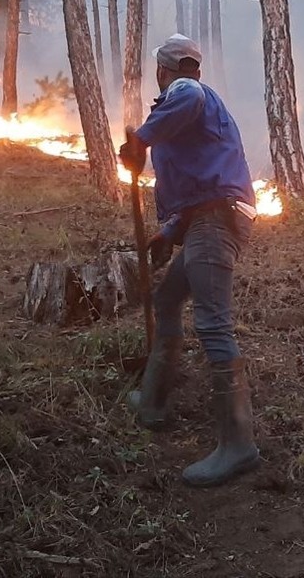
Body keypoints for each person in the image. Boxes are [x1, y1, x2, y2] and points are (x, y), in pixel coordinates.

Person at [118, 34, 261, 487]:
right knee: (166, 298)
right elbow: (200, 186)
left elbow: (187, 97)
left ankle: (238, 445)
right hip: (205, 219)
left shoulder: (185, 92)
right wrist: (169, 232)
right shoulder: (194, 106)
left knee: (213, 323)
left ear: (163, 72)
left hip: (217, 222)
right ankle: (153, 401)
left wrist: (140, 140)